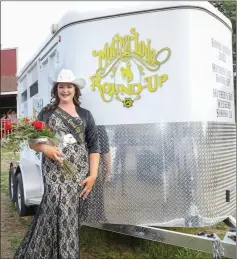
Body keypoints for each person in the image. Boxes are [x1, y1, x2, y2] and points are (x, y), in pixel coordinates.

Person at [13, 69, 100, 259]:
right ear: (56, 89)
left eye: (69, 86)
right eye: (62, 86)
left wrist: (93, 176)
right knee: (53, 211)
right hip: (53, 172)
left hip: (78, 174)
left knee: (70, 217)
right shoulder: (47, 113)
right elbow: (33, 142)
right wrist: (48, 150)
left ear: (75, 89)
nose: (65, 90)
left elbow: (94, 146)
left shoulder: (86, 115)